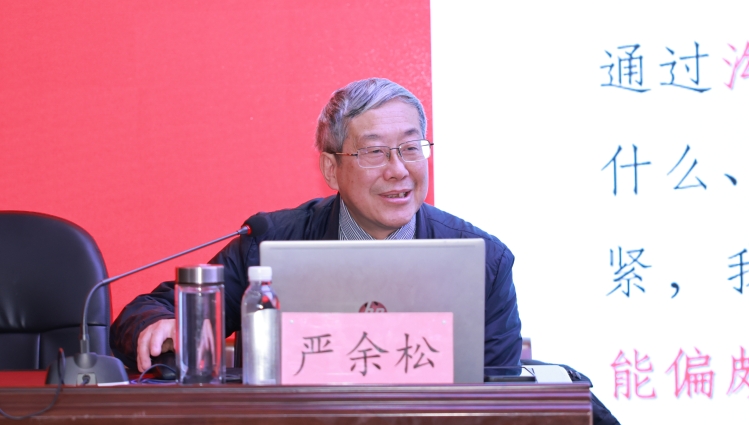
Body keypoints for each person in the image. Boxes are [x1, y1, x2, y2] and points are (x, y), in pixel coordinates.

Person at [110, 77, 522, 373]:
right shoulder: (269, 245)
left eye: (411, 148)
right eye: (375, 152)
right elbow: (146, 310)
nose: (399, 170)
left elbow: (501, 392)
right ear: (330, 168)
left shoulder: (483, 261)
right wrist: (160, 325)